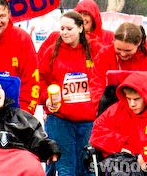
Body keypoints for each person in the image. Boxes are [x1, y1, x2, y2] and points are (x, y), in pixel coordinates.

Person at [39, 11, 102, 175]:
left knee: (86, 168)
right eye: (62, 28)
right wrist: (46, 99)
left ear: (81, 28)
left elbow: (103, 79)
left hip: (88, 120)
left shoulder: (96, 49)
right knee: (65, 167)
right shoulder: (52, 52)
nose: (64, 32)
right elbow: (39, 79)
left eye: (69, 28)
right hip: (60, 119)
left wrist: (93, 103)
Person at [89, 72, 147, 175]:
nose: (132, 104)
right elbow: (98, 133)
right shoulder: (116, 110)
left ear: (146, 97)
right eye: (128, 99)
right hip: (122, 160)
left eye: (136, 99)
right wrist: (120, 146)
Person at [91, 22, 147, 115]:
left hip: (146, 118)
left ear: (139, 43)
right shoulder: (104, 54)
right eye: (118, 49)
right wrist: (102, 111)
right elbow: (96, 86)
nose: (123, 54)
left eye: (128, 50)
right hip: (112, 116)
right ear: (113, 41)